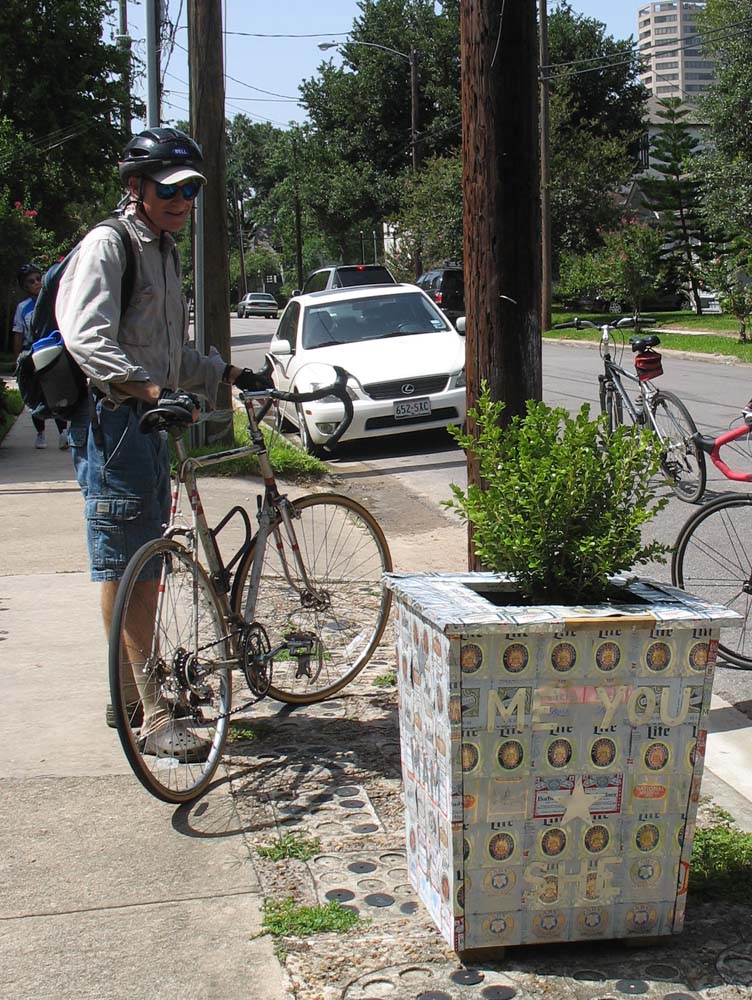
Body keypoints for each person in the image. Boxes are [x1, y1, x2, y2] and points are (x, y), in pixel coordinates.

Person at [56, 127, 270, 758]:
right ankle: (150, 715)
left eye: (192, 189)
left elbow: (170, 354)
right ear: (136, 187)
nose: (182, 200)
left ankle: (126, 699)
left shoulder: (166, 251)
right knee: (129, 567)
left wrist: (227, 375)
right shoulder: (109, 245)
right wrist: (149, 391)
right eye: (170, 188)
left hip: (148, 425)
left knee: (142, 564)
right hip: (116, 426)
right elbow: (86, 338)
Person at [13, 264, 70, 449]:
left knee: (57, 392)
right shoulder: (23, 308)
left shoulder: (53, 301)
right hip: (32, 352)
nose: (37, 283)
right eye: (31, 281)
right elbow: (18, 333)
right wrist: (18, 359)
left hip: (53, 350)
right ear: (25, 286)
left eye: (38, 278)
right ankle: (40, 433)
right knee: (36, 394)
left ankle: (63, 432)